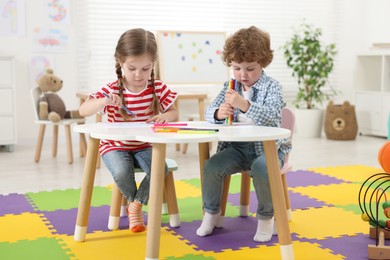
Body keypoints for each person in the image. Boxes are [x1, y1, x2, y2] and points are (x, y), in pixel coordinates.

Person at [196, 26, 292, 242]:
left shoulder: (272, 87)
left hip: (267, 149)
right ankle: (211, 214)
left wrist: (244, 104)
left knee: (262, 167)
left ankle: (267, 218)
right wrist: (219, 113)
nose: (243, 74)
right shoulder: (230, 86)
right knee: (211, 166)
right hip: (236, 148)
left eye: (250, 68)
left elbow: (272, 116)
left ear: (263, 63)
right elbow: (209, 112)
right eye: (237, 68)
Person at [79, 28, 178, 233]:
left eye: (146, 68)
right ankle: (137, 206)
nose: (138, 75)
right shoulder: (113, 89)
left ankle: (136, 205)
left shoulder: (157, 87)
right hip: (115, 146)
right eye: (132, 68)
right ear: (120, 62)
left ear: (153, 64)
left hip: (145, 144)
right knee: (123, 172)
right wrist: (104, 101)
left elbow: (174, 113)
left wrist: (164, 117)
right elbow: (83, 110)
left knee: (162, 169)